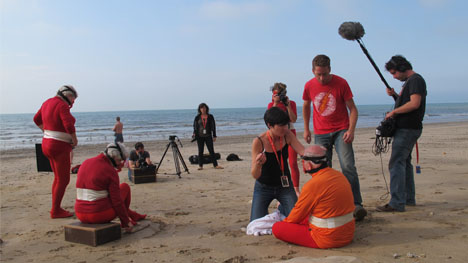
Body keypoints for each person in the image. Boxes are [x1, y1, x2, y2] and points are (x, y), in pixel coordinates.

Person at [302, 54, 367, 221]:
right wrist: (307, 129)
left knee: (348, 166)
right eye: (318, 74)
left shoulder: (341, 83)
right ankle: (329, 204)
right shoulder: (309, 85)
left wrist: (351, 130)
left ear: (330, 69)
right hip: (320, 132)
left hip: (341, 130)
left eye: (324, 74)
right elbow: (306, 105)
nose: (322, 78)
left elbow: (353, 109)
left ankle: (356, 204)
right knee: (323, 170)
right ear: (313, 71)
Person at [272, 145, 355, 248]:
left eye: (303, 161)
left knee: (277, 228)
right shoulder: (339, 175)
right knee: (305, 216)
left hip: (328, 238)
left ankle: (280, 212)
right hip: (348, 232)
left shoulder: (312, 185)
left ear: (309, 165)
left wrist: (286, 223)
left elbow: (295, 217)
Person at [376, 55, 427, 212]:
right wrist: (395, 97)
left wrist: (393, 112)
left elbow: (414, 103)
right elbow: (408, 102)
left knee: (396, 162)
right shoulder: (410, 82)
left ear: (403, 68)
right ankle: (407, 199)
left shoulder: (416, 80)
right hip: (408, 128)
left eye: (394, 73)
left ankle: (397, 202)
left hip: (408, 129)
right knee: (404, 162)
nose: (394, 77)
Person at [75, 143, 146, 232]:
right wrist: (125, 222)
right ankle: (127, 218)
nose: (120, 163)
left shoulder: (85, 162)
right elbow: (117, 201)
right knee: (124, 187)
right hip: (99, 215)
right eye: (120, 160)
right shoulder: (110, 171)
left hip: (80, 213)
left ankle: (132, 214)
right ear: (114, 157)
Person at [250, 107, 305, 222]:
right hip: (263, 187)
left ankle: (282, 207)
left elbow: (303, 152)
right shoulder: (259, 142)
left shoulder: (287, 135)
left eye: (286, 125)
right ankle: (280, 210)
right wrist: (259, 164)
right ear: (270, 125)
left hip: (285, 186)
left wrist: (315, 155)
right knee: (255, 224)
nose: (285, 128)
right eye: (281, 126)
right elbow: (255, 175)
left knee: (295, 220)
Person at [33, 85, 78, 218]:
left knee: (58, 178)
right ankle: (56, 210)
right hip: (59, 146)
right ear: (67, 95)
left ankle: (55, 207)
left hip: (46, 143)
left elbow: (36, 119)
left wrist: (46, 131)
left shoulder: (47, 102)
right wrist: (74, 140)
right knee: (63, 179)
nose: (73, 102)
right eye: (73, 98)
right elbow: (68, 125)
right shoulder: (62, 105)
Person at [267, 83, 301, 197]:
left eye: (279, 94)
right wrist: (275, 104)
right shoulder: (271, 105)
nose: (276, 96)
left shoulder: (291, 104)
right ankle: (279, 188)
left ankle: (296, 189)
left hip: (290, 132)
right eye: (274, 94)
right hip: (276, 135)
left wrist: (287, 106)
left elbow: (293, 119)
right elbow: (269, 119)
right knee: (278, 163)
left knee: (292, 162)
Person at [192, 103, 223, 170]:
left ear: (206, 109)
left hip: (208, 135)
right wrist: (194, 133)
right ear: (200, 109)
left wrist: (214, 135)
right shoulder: (197, 117)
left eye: (204, 108)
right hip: (199, 136)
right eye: (202, 108)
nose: (203, 109)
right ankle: (200, 166)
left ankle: (215, 165)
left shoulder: (210, 116)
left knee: (211, 151)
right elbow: (195, 127)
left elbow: (213, 126)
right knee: (200, 151)